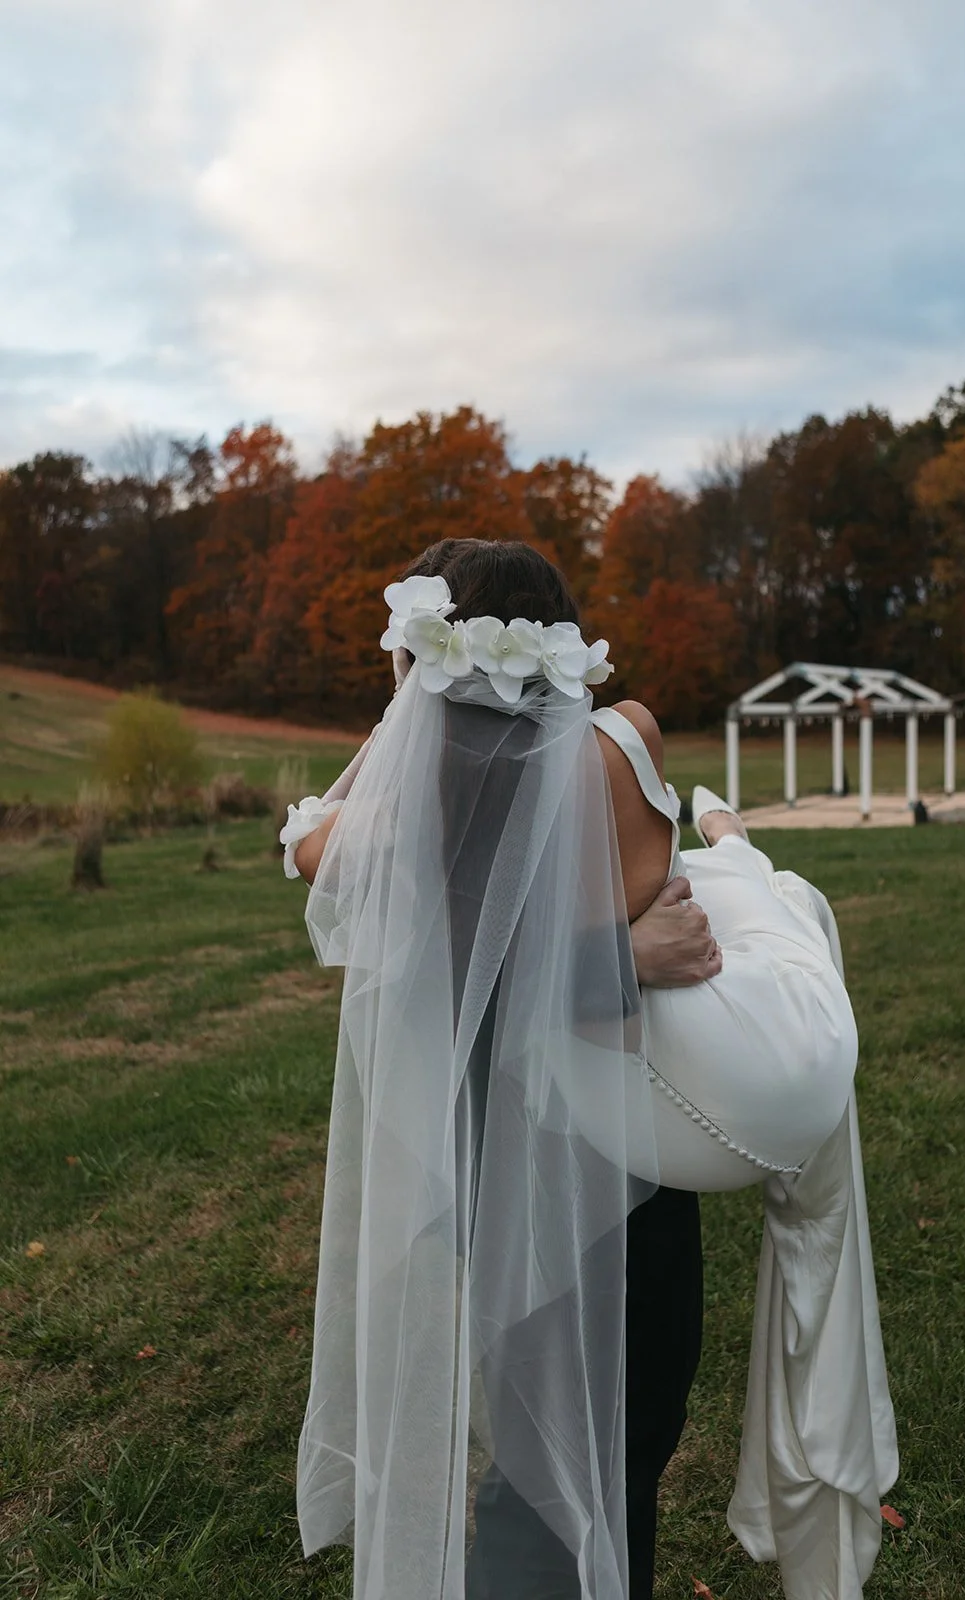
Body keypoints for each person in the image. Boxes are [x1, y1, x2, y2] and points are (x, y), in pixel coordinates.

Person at [282, 539, 895, 1600]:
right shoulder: (608, 753)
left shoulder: (397, 810)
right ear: (561, 644)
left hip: (503, 1183)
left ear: (423, 661)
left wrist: (404, 718)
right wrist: (615, 952)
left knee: (570, 1462)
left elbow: (307, 844)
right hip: (608, 1182)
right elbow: (653, 942)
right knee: (587, 1464)